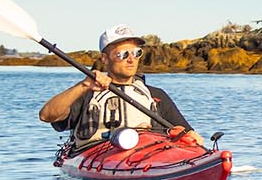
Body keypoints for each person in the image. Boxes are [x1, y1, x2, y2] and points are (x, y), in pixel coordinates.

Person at [39, 24, 204, 147]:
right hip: (97, 157)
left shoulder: (155, 95)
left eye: (136, 53)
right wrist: (83, 86)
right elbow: (46, 115)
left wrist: (191, 138)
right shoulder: (88, 93)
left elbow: (187, 132)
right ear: (104, 59)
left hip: (149, 155)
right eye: (123, 54)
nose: (131, 59)